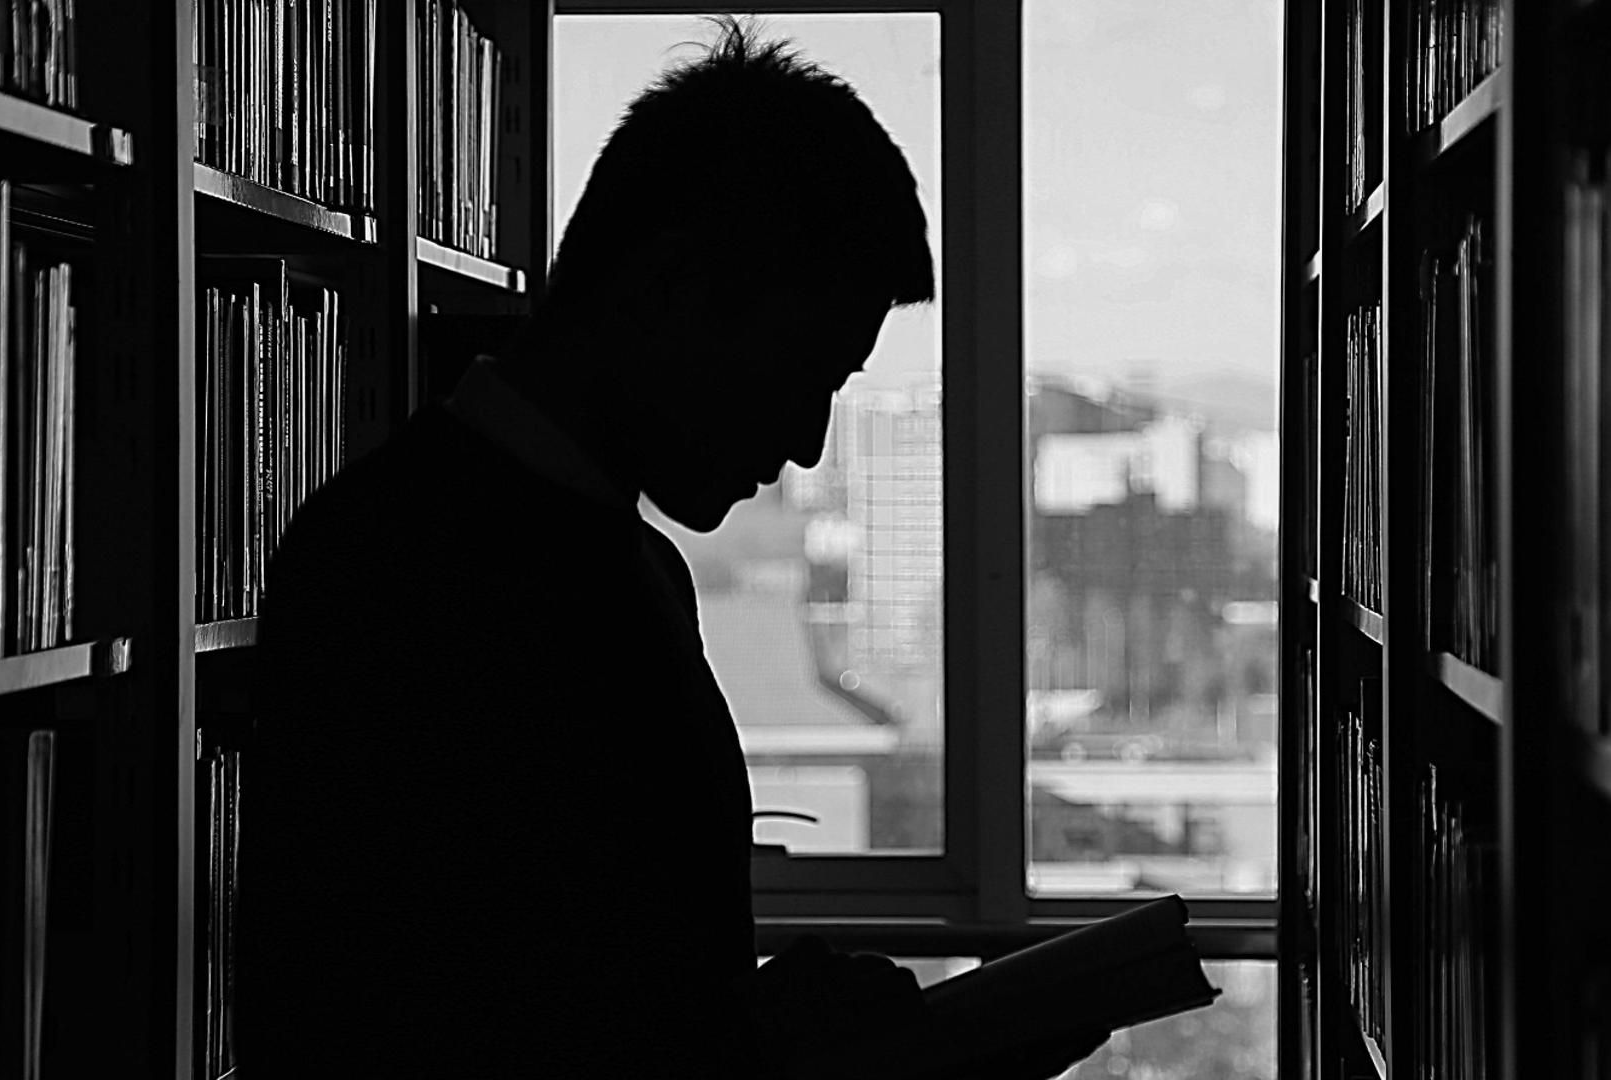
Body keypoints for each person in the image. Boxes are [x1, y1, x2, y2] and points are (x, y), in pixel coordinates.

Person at [241, 18, 1105, 1079]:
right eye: (809, 373)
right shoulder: (398, 577)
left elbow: (577, 992)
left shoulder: (526, 556)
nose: (804, 442)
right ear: (678, 290)